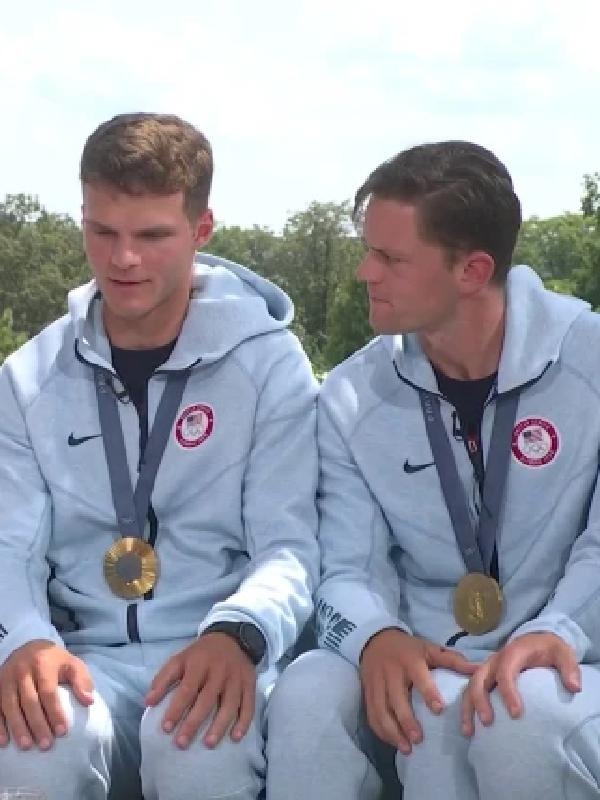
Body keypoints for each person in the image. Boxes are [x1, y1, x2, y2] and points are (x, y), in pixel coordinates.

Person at [267, 140, 600, 800]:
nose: (365, 271)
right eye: (369, 250)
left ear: (472, 271)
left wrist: (555, 630)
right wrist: (376, 637)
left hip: (577, 657)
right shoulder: (350, 396)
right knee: (307, 691)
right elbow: (344, 566)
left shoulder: (590, 362)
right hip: (429, 657)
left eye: (390, 258)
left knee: (517, 712)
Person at [0, 112, 319, 800]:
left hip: (220, 649)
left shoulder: (269, 363)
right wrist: (24, 639)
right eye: (102, 232)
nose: (123, 260)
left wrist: (239, 634)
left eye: (151, 236)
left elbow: (289, 543)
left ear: (202, 231)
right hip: (86, 657)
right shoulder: (27, 375)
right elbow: (11, 546)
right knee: (36, 742)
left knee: (196, 746)